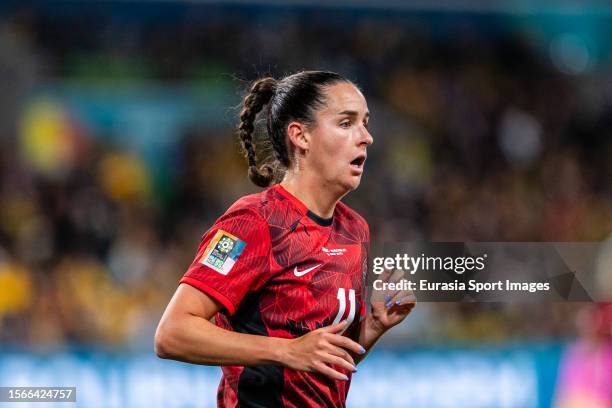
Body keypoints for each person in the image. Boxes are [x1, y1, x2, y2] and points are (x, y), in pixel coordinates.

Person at [154, 70, 415, 407]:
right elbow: (172, 333)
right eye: (347, 123)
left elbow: (319, 364)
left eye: (365, 122)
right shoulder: (252, 222)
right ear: (300, 136)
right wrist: (286, 351)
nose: (366, 137)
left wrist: (373, 327)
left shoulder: (355, 229)